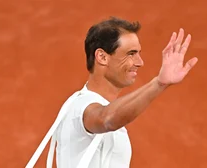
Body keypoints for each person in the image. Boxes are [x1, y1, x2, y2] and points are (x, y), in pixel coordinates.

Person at [55, 17, 198, 168]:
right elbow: (107, 119)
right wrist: (159, 83)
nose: (140, 62)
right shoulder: (81, 106)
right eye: (131, 53)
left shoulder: (99, 108)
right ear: (102, 57)